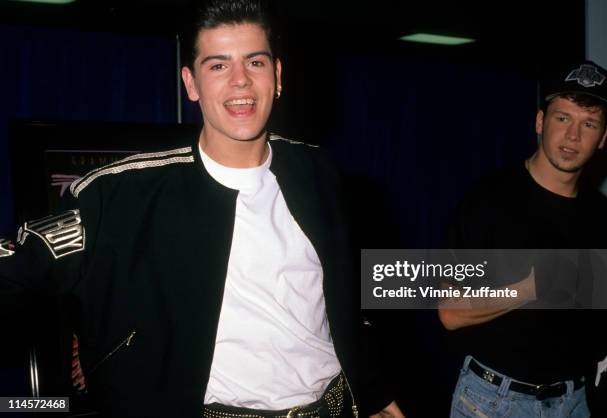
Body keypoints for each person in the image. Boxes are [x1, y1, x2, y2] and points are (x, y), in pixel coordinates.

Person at [0, 1, 402, 417]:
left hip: (335, 406)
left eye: (255, 62)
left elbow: (341, 301)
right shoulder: (119, 194)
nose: (241, 81)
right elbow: (17, 270)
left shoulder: (318, 172)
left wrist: (374, 393)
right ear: (191, 84)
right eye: (218, 66)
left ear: (277, 77)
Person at [439, 60, 607, 417]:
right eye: (563, 118)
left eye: (589, 124)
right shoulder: (489, 200)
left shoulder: (604, 216)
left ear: (603, 138)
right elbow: (450, 311)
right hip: (494, 401)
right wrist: (531, 287)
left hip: (575, 400)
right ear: (540, 122)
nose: (573, 136)